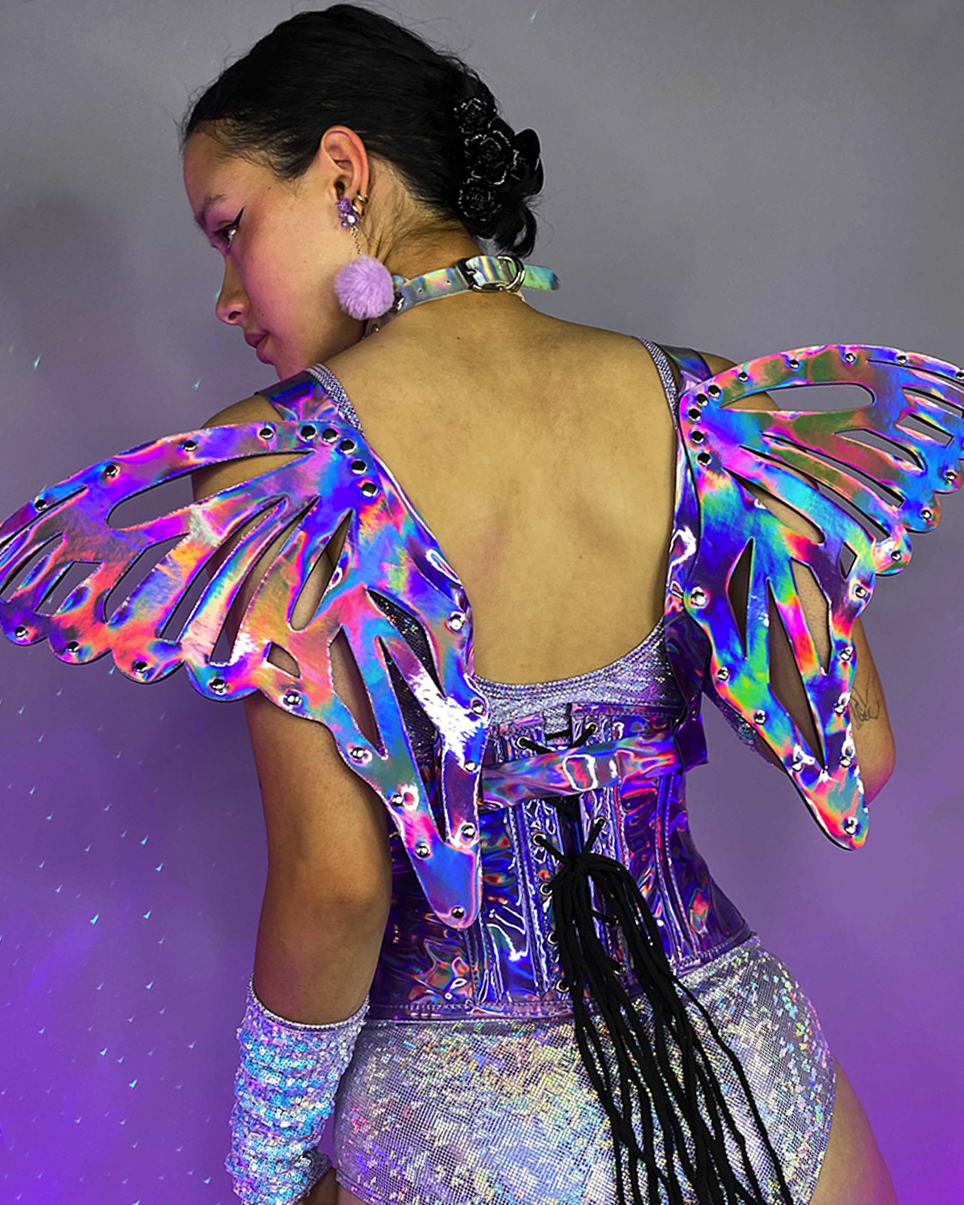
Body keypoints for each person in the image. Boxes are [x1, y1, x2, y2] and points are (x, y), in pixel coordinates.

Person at [0, 5, 914, 1204]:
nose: (225, 293)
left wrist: (271, 1161)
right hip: (740, 1073)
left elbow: (336, 882)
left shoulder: (283, 470)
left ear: (343, 172)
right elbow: (860, 747)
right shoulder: (706, 409)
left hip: (461, 1123)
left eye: (231, 228)